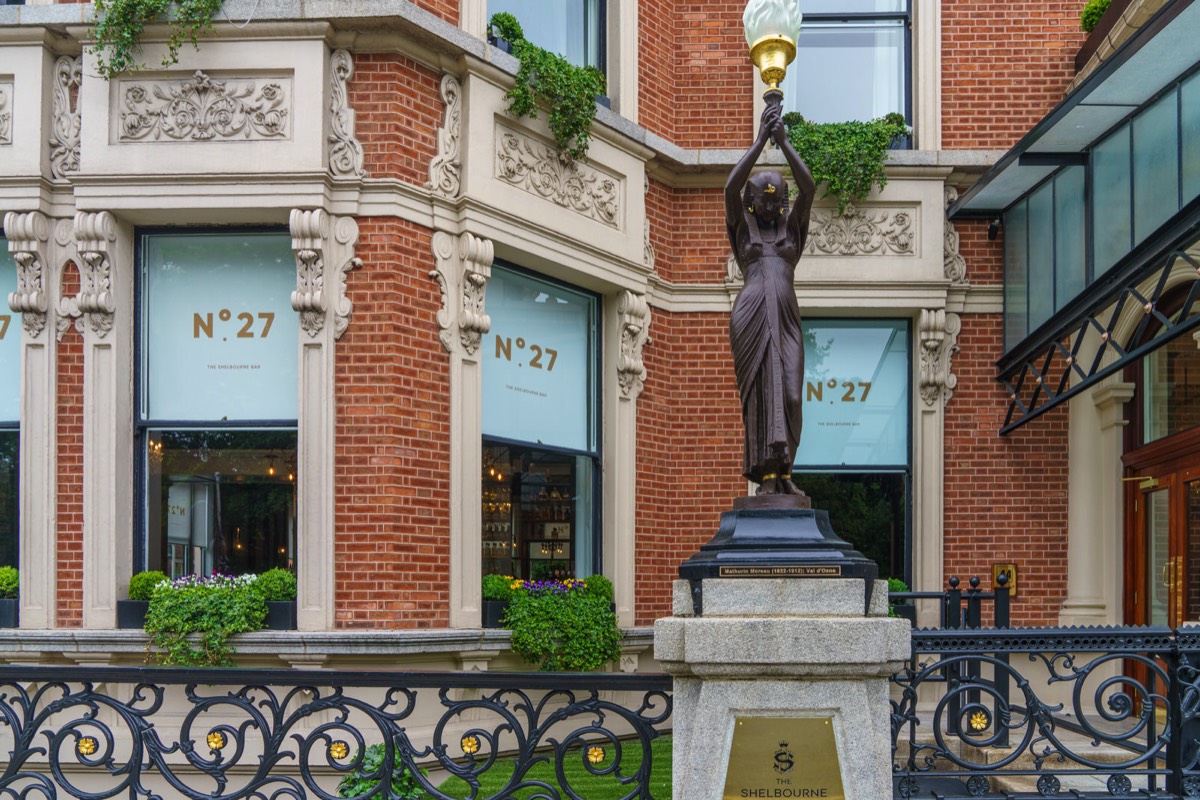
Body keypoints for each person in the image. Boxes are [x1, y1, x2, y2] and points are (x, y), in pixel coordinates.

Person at [725, 98, 816, 495]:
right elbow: (729, 187)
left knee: (792, 394)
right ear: (752, 202)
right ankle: (768, 478)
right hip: (751, 316)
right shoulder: (743, 231)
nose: (768, 204)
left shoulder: (792, 230)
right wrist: (761, 138)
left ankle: (787, 472)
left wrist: (784, 142)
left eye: (774, 198)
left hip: (786, 317)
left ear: (781, 201)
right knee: (762, 396)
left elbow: (809, 187)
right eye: (760, 199)